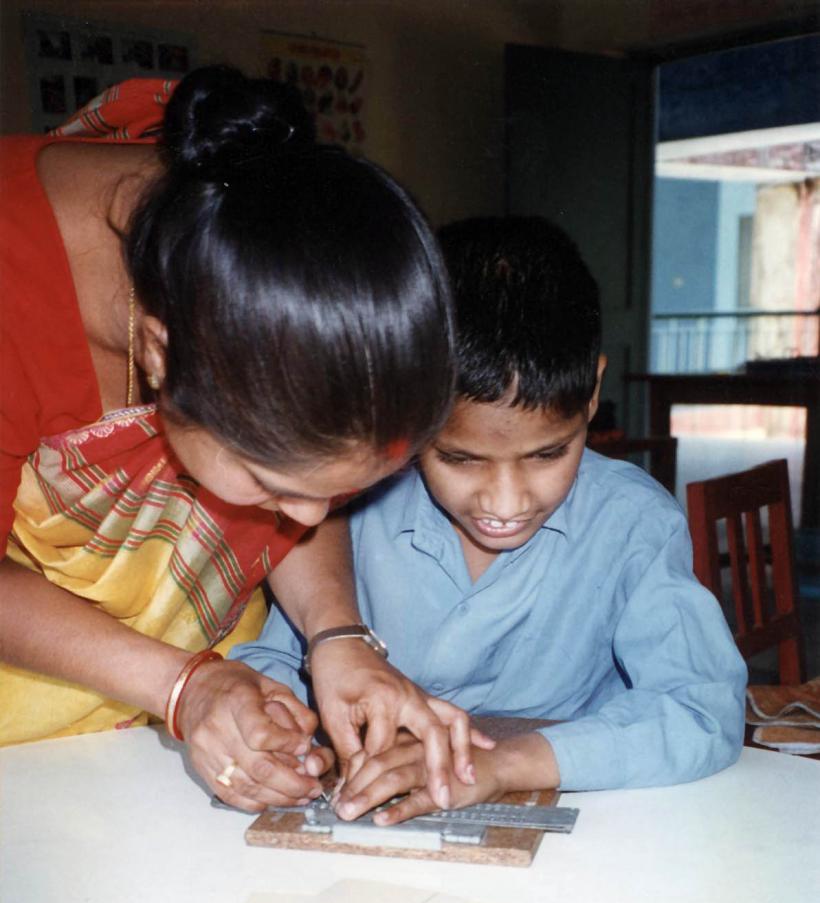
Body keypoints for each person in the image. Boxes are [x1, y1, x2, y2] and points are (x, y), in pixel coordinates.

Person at [0, 66, 491, 812]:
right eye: (274, 485)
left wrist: (339, 636)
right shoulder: (17, 293)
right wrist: (184, 686)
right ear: (160, 357)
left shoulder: (253, 210)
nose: (306, 521)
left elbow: (311, 461)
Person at [233, 215, 747, 823]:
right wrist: (270, 726)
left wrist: (503, 765)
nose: (505, 503)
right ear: (410, 410)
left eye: (549, 453)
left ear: (592, 394)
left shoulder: (634, 522)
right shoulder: (346, 513)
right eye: (459, 458)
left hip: (585, 843)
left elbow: (702, 710)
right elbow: (275, 660)